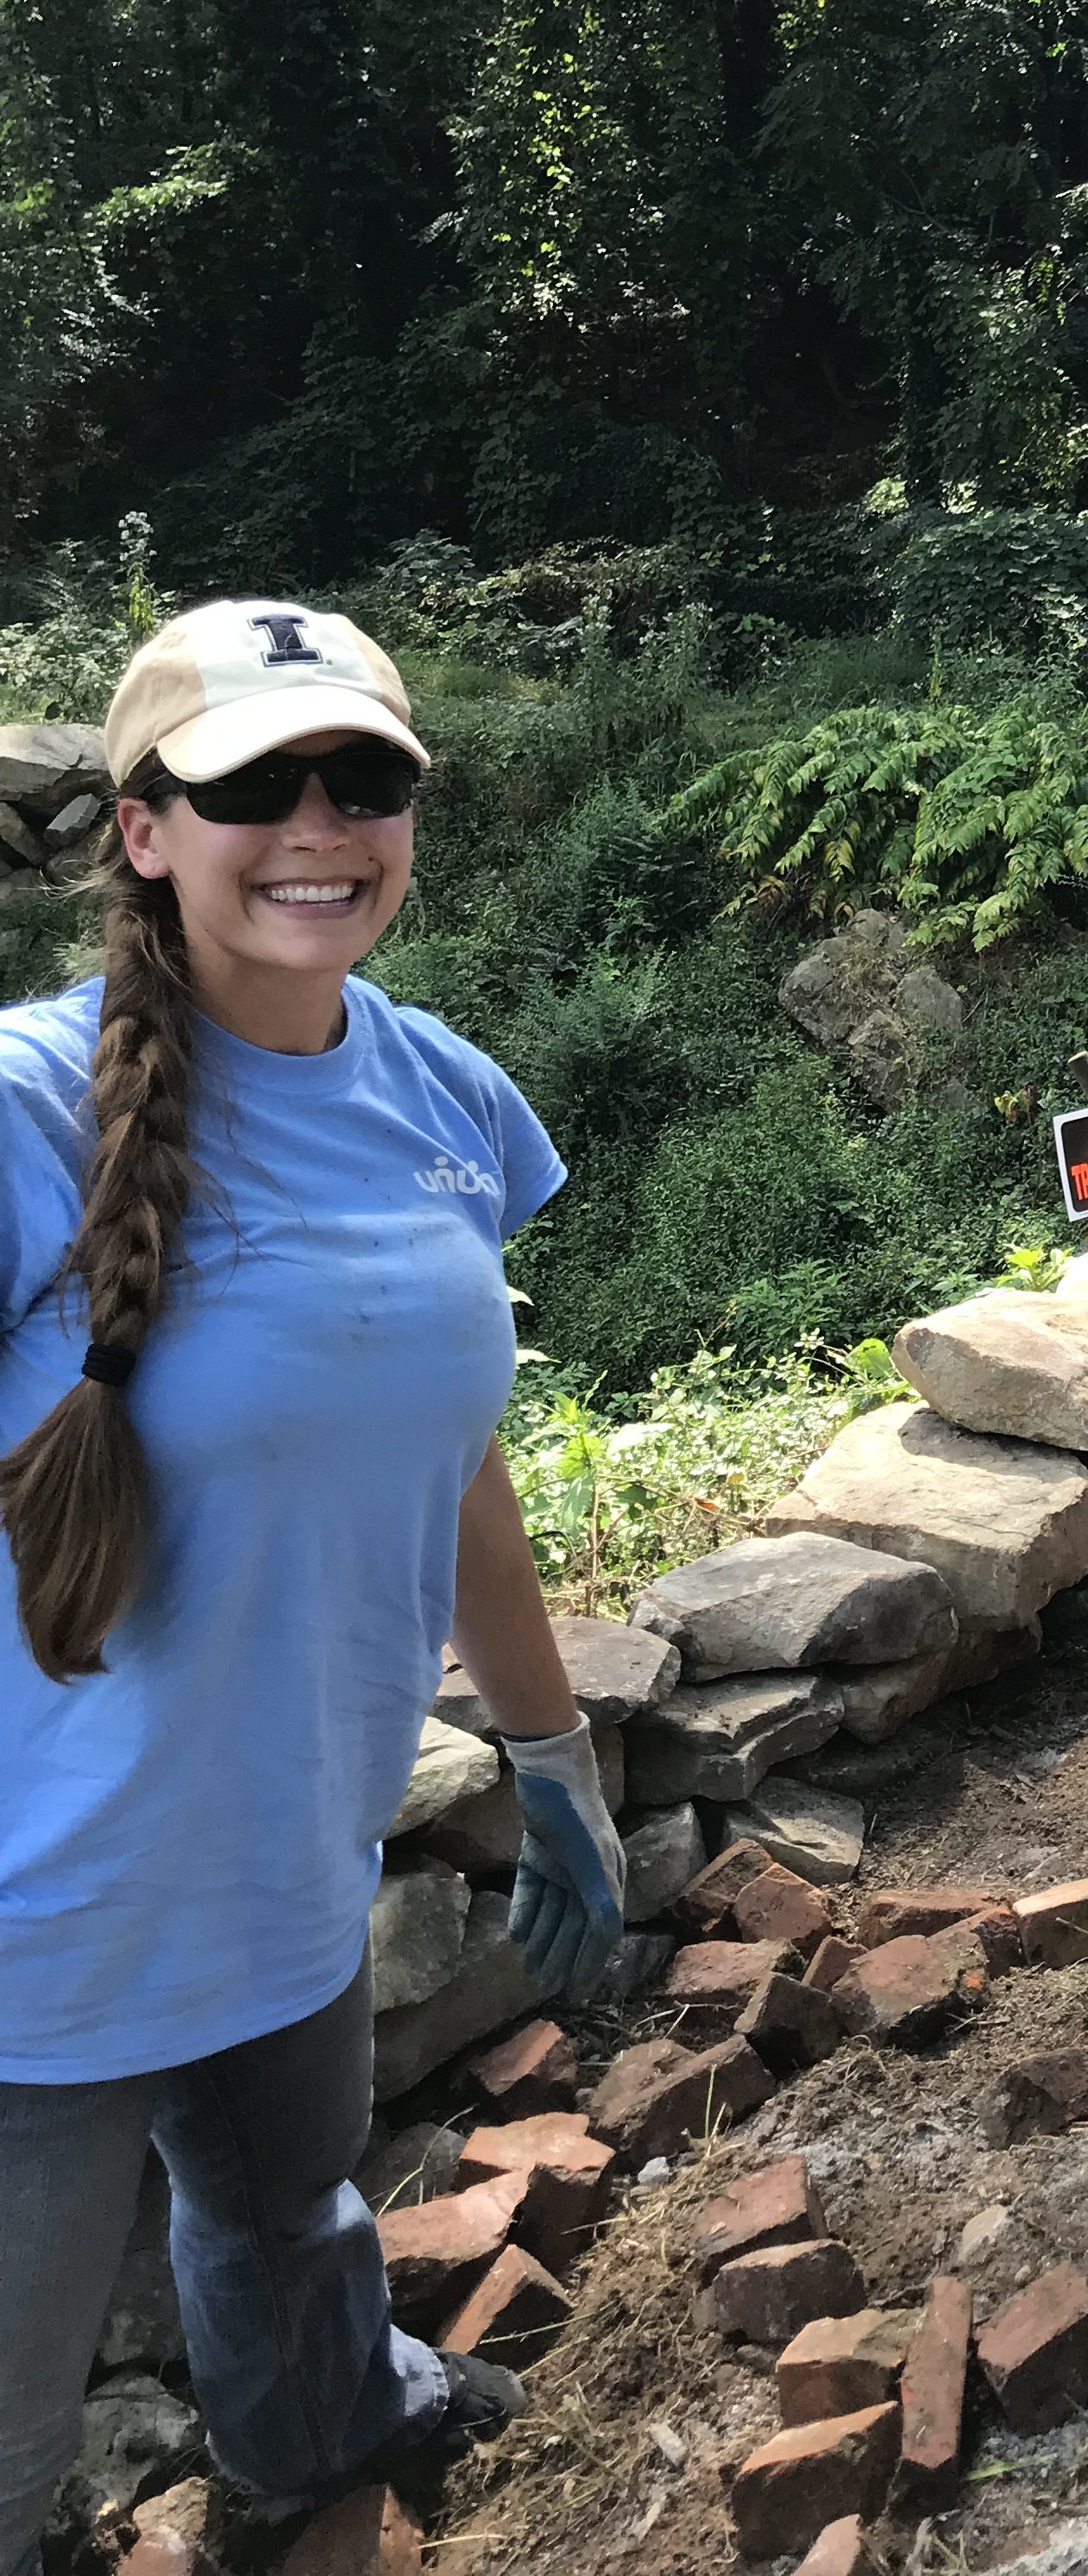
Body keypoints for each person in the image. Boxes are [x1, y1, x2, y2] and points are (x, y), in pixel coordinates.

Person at [0, 601, 626, 2568]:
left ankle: (325, 2442)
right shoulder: (22, 1115)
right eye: (256, 780)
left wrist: (550, 1747)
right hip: (39, 1940)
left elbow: (449, 1458)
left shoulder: (444, 1100)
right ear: (144, 830)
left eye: (365, 776)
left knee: (287, 2220)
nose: (318, 820)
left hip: (293, 1869)